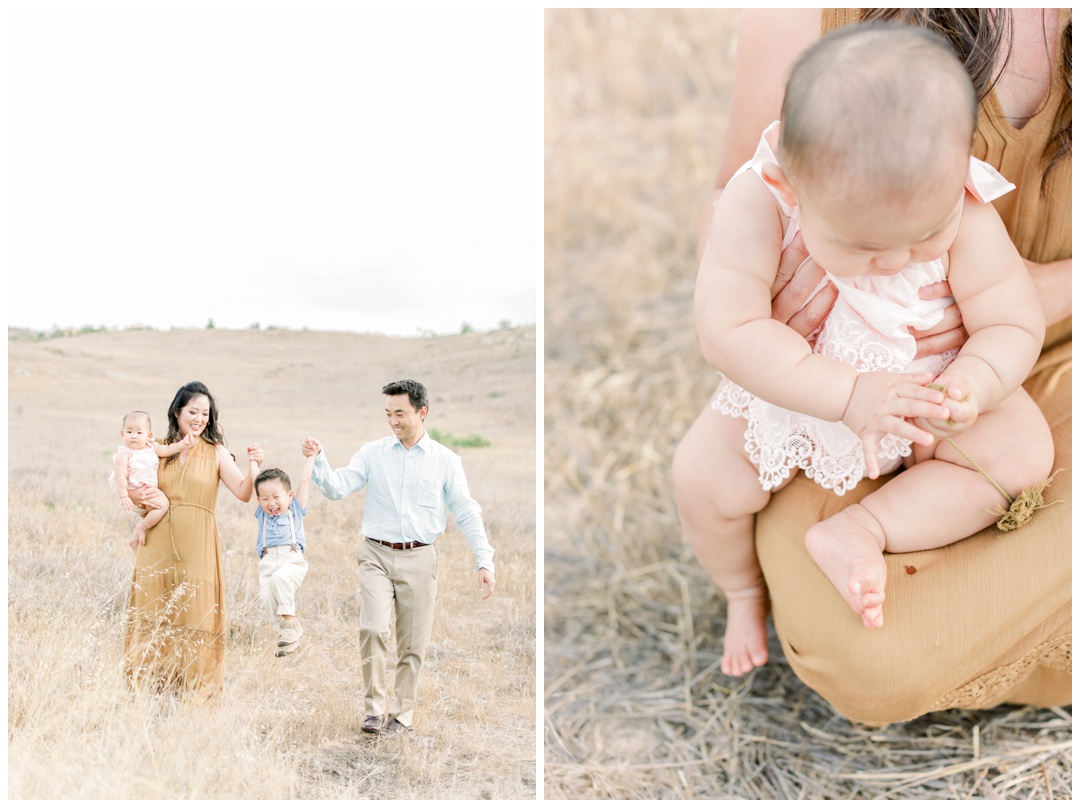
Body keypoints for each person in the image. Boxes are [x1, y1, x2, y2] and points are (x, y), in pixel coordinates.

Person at [674, 8, 1070, 724]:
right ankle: (740, 591)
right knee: (702, 478)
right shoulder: (759, 198)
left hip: (934, 378)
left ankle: (869, 529)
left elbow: (1009, 318)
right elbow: (726, 331)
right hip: (799, 381)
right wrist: (844, 392)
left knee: (1019, 451)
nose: (896, 262)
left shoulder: (965, 204)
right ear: (795, 186)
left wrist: (973, 383)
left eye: (926, 236)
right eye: (862, 246)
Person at [302, 379, 496, 734]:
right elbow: (336, 488)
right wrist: (319, 460)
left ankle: (402, 713)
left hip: (420, 558)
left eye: (400, 414)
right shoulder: (373, 452)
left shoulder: (446, 461)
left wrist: (484, 560)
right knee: (372, 628)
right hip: (375, 553)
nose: (393, 421)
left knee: (413, 643)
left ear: (422, 413)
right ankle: (374, 709)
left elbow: (466, 511)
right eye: (388, 414)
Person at [123, 381, 263, 694]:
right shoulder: (155, 449)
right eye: (193, 412)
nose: (199, 418)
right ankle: (148, 687)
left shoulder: (216, 452)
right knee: (153, 609)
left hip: (198, 541)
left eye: (205, 413)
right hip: (157, 540)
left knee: (196, 611)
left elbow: (243, 492)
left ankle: (195, 689)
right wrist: (138, 505)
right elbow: (136, 495)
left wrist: (254, 466)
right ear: (177, 412)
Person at [248, 451, 316, 658]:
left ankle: (290, 622)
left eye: (276, 497)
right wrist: (252, 460)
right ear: (259, 500)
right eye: (265, 498)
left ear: (289, 496)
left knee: (280, 579)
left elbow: (304, 480)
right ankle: (287, 636)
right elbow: (254, 481)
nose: (271, 503)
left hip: (291, 560)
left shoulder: (295, 510)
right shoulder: (262, 513)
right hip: (268, 561)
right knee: (267, 597)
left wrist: (311, 457)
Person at [110, 410, 197, 551]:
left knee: (158, 516)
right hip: (134, 491)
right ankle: (142, 527)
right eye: (129, 432)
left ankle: (135, 542)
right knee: (163, 505)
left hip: (149, 490)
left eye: (139, 433)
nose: (134, 436)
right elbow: (121, 477)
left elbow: (168, 449)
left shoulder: (152, 447)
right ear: (122, 434)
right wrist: (124, 496)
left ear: (149, 435)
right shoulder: (123, 454)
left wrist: (183, 444)